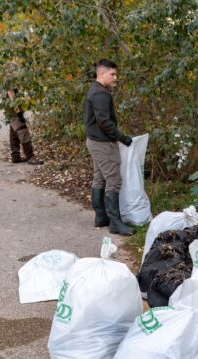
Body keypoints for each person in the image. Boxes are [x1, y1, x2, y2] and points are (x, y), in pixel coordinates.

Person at [83, 59, 134, 236]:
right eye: (112, 74)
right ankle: (115, 222)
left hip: (94, 141)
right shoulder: (100, 94)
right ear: (102, 73)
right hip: (102, 144)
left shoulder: (95, 89)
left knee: (100, 178)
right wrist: (122, 138)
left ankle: (101, 217)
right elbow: (103, 122)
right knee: (113, 180)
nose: (115, 78)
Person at [5, 88, 43, 165]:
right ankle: (30, 157)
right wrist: (19, 114)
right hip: (15, 113)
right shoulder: (10, 79)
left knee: (14, 135)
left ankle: (15, 157)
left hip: (10, 113)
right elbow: (12, 97)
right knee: (23, 132)